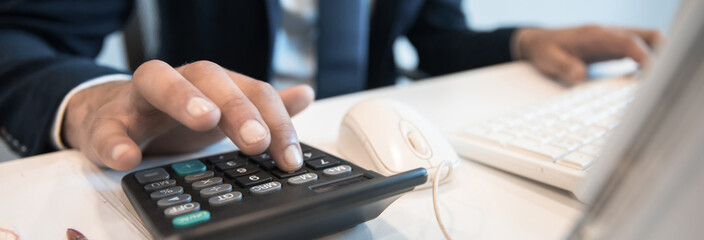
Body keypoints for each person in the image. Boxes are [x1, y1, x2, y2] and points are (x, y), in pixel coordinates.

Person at [0, 0, 661, 172]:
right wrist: (92, 100)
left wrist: (522, 40)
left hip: (376, 156)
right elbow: (20, 36)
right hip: (208, 146)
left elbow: (438, 34)